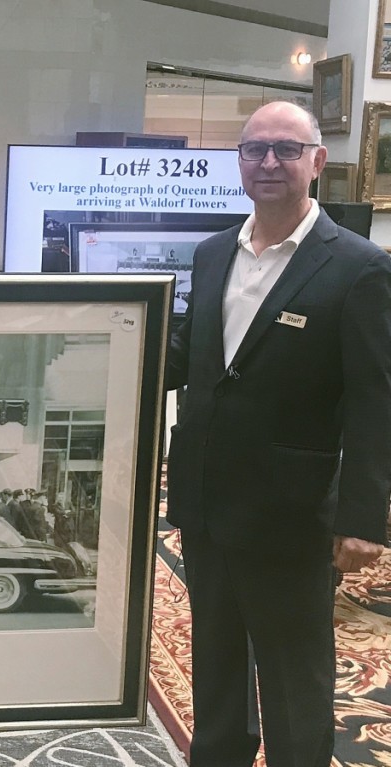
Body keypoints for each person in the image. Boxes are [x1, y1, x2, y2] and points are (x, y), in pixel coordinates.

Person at [166, 100, 391, 767]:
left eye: (286, 150)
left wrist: (363, 516)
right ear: (238, 161)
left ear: (316, 162)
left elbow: (375, 401)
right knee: (217, 662)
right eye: (255, 149)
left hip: (291, 513)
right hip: (206, 501)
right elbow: (188, 355)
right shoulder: (212, 255)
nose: (269, 162)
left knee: (295, 677)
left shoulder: (358, 268)